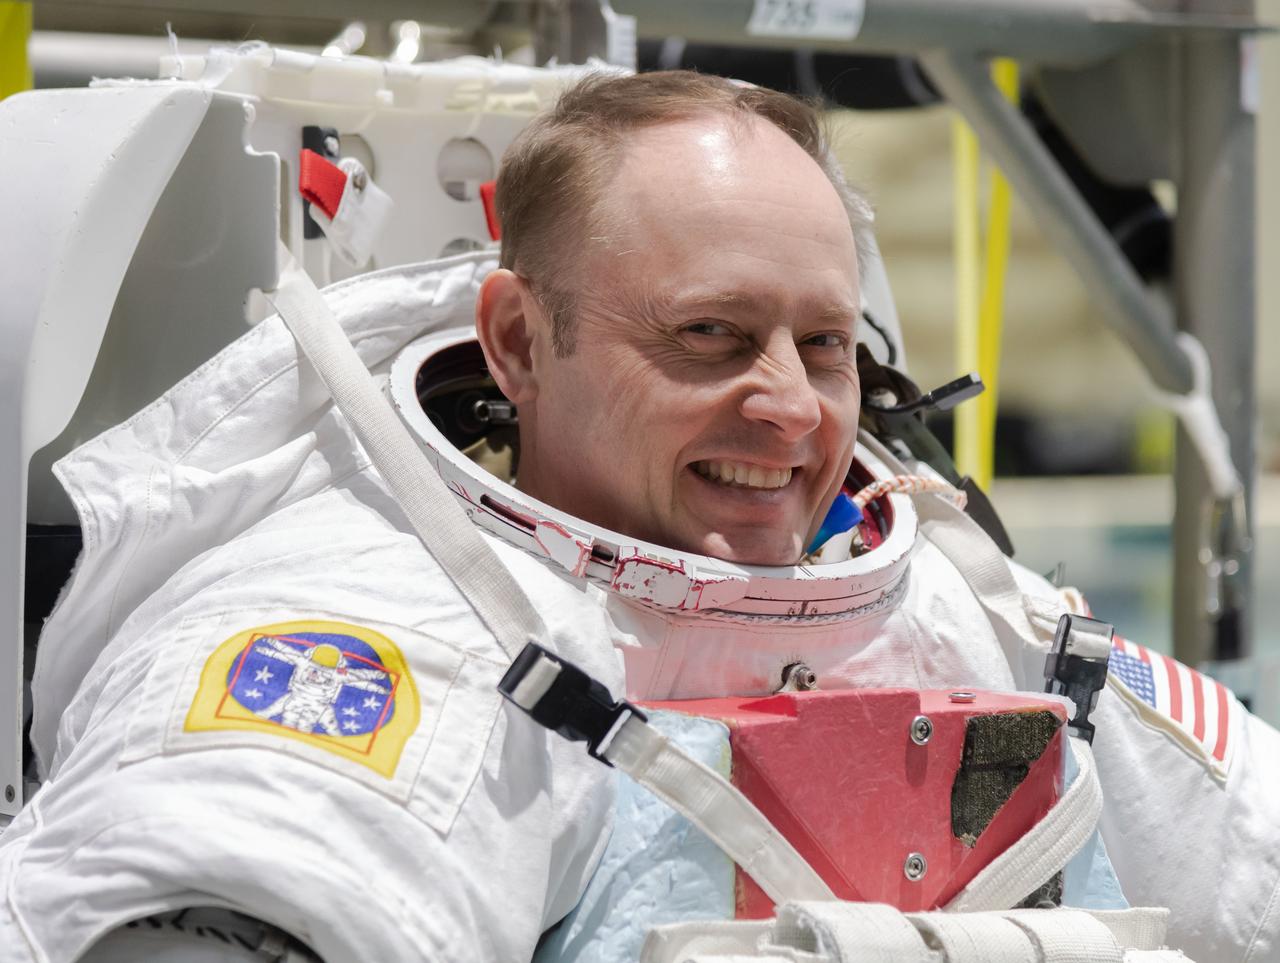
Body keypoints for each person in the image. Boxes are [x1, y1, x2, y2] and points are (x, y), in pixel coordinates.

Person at [0, 70, 1276, 962]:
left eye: (823, 345)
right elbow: (261, 869)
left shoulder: (964, 608)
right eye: (708, 336)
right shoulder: (380, 624)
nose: (786, 407)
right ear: (516, 342)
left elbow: (1251, 857)